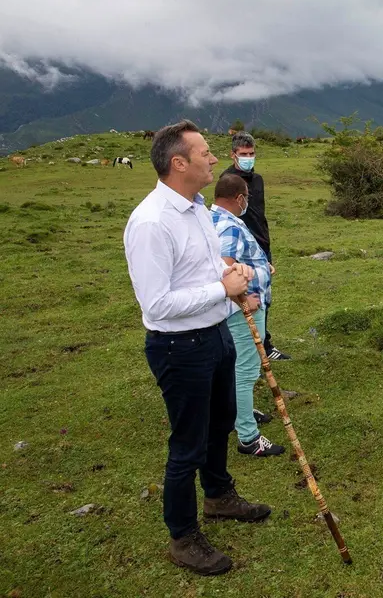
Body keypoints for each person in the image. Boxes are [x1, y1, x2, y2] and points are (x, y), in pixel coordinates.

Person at [123, 120, 271, 576]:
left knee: (220, 421)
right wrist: (222, 289)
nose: (214, 158)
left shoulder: (198, 208)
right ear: (178, 163)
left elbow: (204, 271)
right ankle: (182, 536)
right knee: (187, 443)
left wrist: (231, 276)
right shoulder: (151, 221)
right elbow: (157, 303)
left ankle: (220, 497)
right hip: (178, 346)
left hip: (216, 334)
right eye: (204, 152)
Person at [211, 173, 286, 457]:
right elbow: (224, 266)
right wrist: (243, 298)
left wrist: (261, 267)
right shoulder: (229, 225)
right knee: (246, 369)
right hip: (244, 309)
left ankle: (237, 411)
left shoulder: (211, 219)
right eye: (246, 197)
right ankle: (248, 436)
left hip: (232, 307)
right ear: (239, 198)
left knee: (234, 365)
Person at [222, 131, 291, 361]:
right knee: (244, 299)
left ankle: (264, 343)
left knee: (263, 298)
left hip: (261, 245)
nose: (248, 157)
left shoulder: (258, 180)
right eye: (244, 154)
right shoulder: (228, 181)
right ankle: (244, 348)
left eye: (252, 153)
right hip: (241, 249)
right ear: (233, 155)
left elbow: (258, 214)